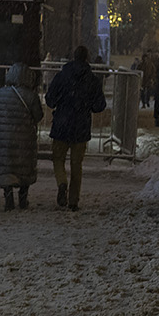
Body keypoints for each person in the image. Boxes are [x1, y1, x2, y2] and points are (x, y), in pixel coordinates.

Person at [45, 45, 106, 211]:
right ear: (87, 58)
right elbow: (100, 105)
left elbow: (50, 100)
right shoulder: (92, 79)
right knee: (76, 165)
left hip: (62, 124)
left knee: (58, 159)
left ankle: (62, 182)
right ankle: (73, 200)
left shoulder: (62, 76)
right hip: (81, 126)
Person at [0, 62, 43, 211]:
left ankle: (8, 198)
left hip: (6, 139)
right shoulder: (31, 96)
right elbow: (38, 115)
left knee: (7, 166)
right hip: (25, 139)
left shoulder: (0, 93)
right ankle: (23, 198)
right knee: (24, 167)